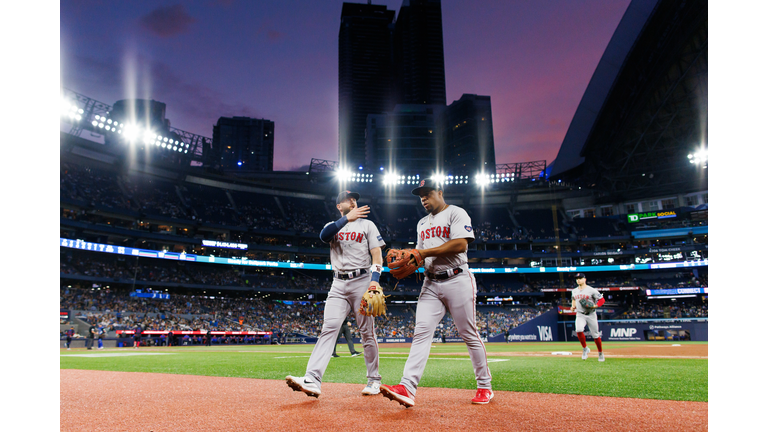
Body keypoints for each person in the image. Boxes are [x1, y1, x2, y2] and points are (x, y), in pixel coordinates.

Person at [380, 179, 493, 408]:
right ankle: (407, 387)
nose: (423, 198)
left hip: (458, 279)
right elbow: (421, 255)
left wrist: (420, 253)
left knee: (468, 333)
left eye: (427, 193)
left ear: (440, 193)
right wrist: (411, 262)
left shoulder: (456, 213)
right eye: (420, 195)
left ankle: (485, 386)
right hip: (431, 283)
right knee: (421, 333)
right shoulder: (422, 223)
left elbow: (460, 244)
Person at [286, 190, 385, 398]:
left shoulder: (368, 225)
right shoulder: (331, 226)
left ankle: (374, 380)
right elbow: (323, 236)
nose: (353, 201)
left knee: (367, 332)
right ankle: (312, 380)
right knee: (328, 328)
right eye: (348, 200)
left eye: (355, 199)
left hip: (362, 281)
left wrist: (374, 281)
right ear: (340, 207)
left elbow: (377, 253)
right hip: (338, 283)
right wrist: (346, 219)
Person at [569, 273, 605, 362]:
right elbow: (573, 299)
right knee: (579, 330)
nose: (578, 280)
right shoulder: (574, 291)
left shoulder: (591, 290)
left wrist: (596, 306)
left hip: (591, 314)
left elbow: (602, 299)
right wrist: (573, 306)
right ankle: (585, 349)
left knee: (595, 335)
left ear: (585, 279)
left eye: (580, 278)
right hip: (580, 314)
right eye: (577, 278)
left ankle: (600, 353)